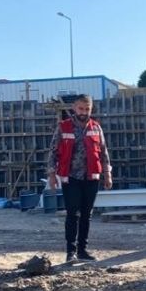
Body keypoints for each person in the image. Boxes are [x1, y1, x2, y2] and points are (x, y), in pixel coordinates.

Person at [48, 94, 112, 263]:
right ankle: (71, 252)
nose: (84, 112)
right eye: (81, 108)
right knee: (72, 214)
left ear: (91, 109)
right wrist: (52, 175)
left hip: (91, 177)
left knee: (86, 214)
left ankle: (83, 250)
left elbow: (104, 152)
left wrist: (107, 174)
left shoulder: (96, 128)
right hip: (70, 178)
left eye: (87, 109)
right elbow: (53, 152)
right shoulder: (63, 127)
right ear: (74, 108)